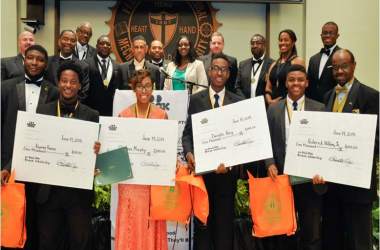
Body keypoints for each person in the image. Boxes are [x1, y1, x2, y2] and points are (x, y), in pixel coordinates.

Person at [35, 61, 100, 250]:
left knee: (80, 242)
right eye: (64, 81)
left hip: (78, 193)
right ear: (58, 83)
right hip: (49, 191)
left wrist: (97, 149)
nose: (68, 85)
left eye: (73, 82)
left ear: (80, 85)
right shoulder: (43, 111)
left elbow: (96, 151)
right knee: (47, 242)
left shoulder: (91, 115)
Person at [182, 53, 243, 250]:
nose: (219, 72)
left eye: (223, 69)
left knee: (224, 228)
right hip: (203, 177)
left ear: (228, 74)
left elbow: (241, 139)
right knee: (203, 227)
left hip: (227, 177)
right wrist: (189, 154)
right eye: (216, 68)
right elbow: (187, 134)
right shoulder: (196, 100)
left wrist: (232, 163)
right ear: (209, 72)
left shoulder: (237, 102)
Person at [1, 45, 59, 250]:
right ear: (24, 59)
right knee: (11, 220)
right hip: (9, 167)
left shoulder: (54, 91)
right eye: (31, 58)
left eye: (40, 60)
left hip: (41, 168)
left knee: (37, 220)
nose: (35, 63)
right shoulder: (5, 88)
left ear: (46, 64)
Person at [321, 49, 379, 250]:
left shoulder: (370, 96)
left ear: (354, 65)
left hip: (357, 187)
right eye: (335, 67)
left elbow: (377, 139)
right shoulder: (328, 96)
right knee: (333, 239)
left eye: (344, 66)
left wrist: (352, 152)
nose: (339, 71)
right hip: (332, 187)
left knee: (359, 241)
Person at [265, 64, 325, 250]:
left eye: (300, 80)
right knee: (284, 234)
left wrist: (322, 171)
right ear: (285, 83)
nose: (296, 83)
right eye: (291, 80)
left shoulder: (320, 109)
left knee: (311, 234)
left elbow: (325, 145)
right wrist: (269, 164)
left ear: (307, 83)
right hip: (282, 180)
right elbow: (265, 140)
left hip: (310, 182)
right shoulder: (274, 109)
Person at [115, 69, 168, 250]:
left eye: (147, 86)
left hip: (152, 185)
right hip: (130, 183)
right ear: (133, 89)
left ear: (153, 89)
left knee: (151, 227)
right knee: (130, 226)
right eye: (139, 86)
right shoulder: (123, 116)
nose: (144, 91)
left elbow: (166, 150)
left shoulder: (162, 115)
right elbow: (116, 149)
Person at [45, 29, 90, 100]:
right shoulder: (47, 61)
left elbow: (84, 92)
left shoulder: (83, 66)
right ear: (59, 41)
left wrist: (70, 105)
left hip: (73, 108)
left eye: (72, 41)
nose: (69, 42)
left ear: (75, 44)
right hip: (49, 106)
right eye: (65, 39)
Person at [265, 29, 304, 105]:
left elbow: (299, 87)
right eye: (281, 40)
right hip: (272, 106)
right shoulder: (273, 64)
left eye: (286, 40)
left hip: (289, 104)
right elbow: (268, 88)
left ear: (293, 43)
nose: (282, 43)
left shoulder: (298, 61)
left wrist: (283, 102)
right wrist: (269, 101)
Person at [84, 35, 120, 116]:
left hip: (110, 111)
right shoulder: (86, 63)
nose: (105, 46)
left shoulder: (117, 66)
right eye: (102, 43)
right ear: (97, 46)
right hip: (91, 110)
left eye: (108, 44)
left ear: (111, 48)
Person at [306, 21, 341, 103]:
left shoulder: (342, 56)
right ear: (321, 35)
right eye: (325, 33)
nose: (327, 35)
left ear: (337, 36)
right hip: (313, 105)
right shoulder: (313, 59)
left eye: (331, 33)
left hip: (333, 103)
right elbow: (308, 84)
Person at [235, 34, 274, 99]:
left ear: (264, 46)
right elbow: (237, 86)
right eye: (253, 43)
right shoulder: (243, 64)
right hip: (246, 104)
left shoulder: (272, 64)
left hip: (264, 106)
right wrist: (244, 100)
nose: (255, 45)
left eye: (258, 43)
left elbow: (273, 88)